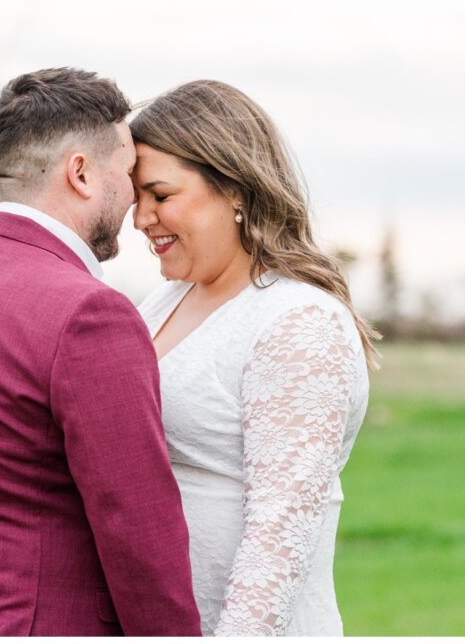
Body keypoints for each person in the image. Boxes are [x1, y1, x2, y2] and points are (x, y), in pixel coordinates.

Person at [0, 68, 200, 636]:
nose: (134, 201)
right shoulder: (89, 315)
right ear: (81, 173)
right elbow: (140, 538)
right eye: (126, 172)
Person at [130, 80, 379, 636]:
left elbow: (280, 529)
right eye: (136, 197)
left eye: (160, 195)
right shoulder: (162, 302)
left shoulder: (296, 321)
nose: (141, 218)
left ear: (235, 189)